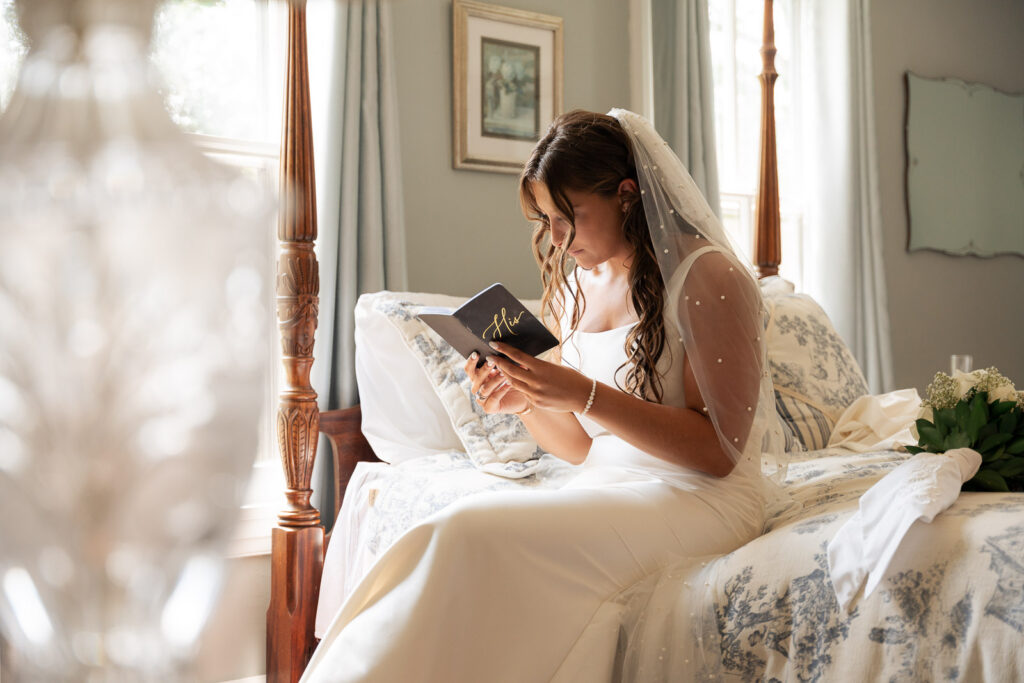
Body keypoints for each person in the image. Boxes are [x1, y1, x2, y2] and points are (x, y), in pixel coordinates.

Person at [303, 109, 785, 682]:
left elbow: (719, 452)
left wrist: (583, 393)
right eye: (548, 219)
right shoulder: (574, 284)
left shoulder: (707, 276)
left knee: (466, 536)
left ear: (627, 196)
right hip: (608, 483)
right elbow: (581, 448)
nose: (556, 238)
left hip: (702, 497)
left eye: (570, 216)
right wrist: (526, 400)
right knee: (443, 534)